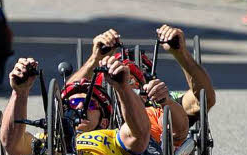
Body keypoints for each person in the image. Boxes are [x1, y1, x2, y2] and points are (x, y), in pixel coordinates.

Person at [0, 54, 153, 155]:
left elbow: (141, 132)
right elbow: (10, 143)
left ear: (104, 120)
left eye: (91, 104)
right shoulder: (44, 137)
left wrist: (123, 88)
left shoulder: (113, 135)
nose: (80, 106)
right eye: (72, 104)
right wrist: (19, 92)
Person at [71, 26, 216, 124]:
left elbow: (203, 100)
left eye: (130, 79)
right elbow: (66, 101)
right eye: (117, 76)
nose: (123, 82)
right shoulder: (96, 108)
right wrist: (94, 59)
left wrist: (181, 53)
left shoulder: (159, 102)